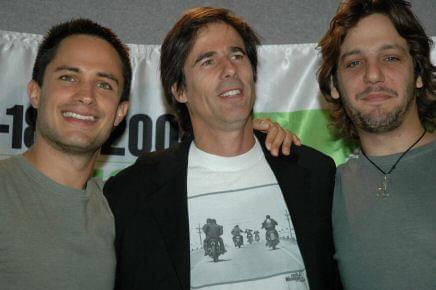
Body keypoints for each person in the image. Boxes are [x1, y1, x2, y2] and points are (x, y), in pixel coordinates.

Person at [104, 7, 341, 290]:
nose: (230, 69)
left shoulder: (316, 173)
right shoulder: (131, 193)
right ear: (180, 90)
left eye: (237, 55)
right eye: (207, 61)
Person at [0, 19, 131, 289]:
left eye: (104, 84)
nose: (86, 95)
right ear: (36, 93)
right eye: (68, 78)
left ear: (120, 112)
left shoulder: (118, 212)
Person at [318, 1, 436, 289]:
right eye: (354, 63)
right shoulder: (323, 191)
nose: (373, 75)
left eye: (391, 58)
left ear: (419, 74)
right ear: (334, 85)